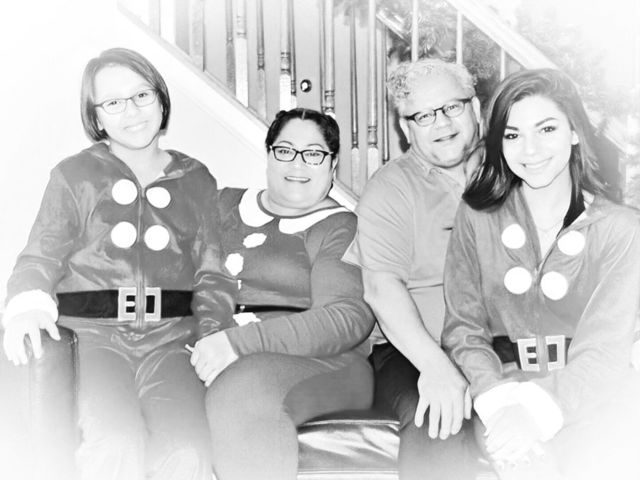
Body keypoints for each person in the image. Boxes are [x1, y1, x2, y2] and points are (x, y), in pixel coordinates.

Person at [2, 48, 235, 480]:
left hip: (171, 344)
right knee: (114, 441)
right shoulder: (74, 175)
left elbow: (212, 273)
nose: (131, 111)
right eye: (113, 102)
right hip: (95, 341)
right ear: (96, 116)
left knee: (188, 451)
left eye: (141, 95)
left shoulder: (196, 178)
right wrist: (28, 303)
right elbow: (40, 254)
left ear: (160, 98)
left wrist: (215, 336)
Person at [442, 68, 640, 480]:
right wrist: (499, 401)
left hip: (595, 394)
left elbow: (606, 345)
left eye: (546, 129)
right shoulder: (476, 216)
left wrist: (539, 409)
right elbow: (463, 328)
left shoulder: (621, 229)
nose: (529, 150)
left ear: (574, 131)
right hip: (503, 390)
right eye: (512, 135)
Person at [190, 108, 375, 480]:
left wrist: (238, 344)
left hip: (323, 362)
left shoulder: (341, 226)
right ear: (270, 155)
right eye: (286, 150)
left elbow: (345, 318)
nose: (298, 163)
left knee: (242, 389)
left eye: (314, 153)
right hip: (214, 346)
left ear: (333, 164)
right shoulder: (223, 204)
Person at [342, 58, 485, 478]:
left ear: (475, 107)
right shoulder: (390, 188)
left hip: (499, 345)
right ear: (406, 129)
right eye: (423, 115)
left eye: (452, 107)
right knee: (438, 421)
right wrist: (437, 367)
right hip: (415, 349)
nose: (441, 123)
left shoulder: (511, 170)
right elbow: (381, 289)